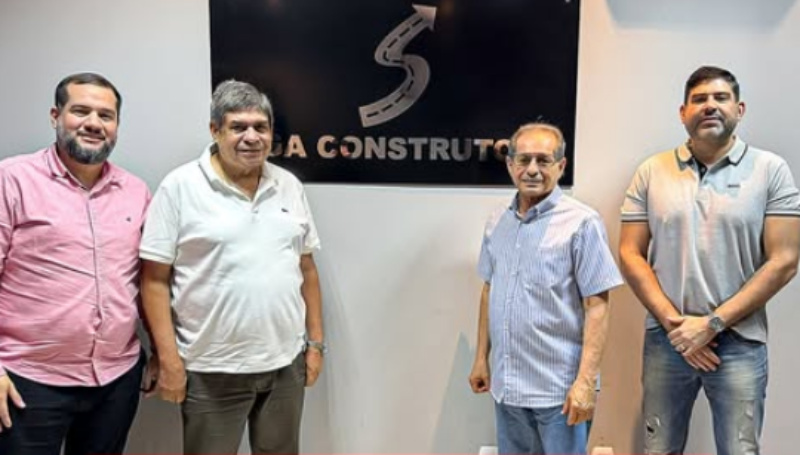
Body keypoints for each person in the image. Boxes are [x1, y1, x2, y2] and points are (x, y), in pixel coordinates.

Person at [619, 66, 800, 455]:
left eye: (720, 98)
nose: (710, 106)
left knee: (740, 451)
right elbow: (630, 253)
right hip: (668, 339)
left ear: (740, 109)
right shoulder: (651, 171)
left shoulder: (771, 170)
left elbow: (785, 260)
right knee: (659, 450)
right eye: (699, 99)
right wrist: (678, 327)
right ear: (683, 112)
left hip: (740, 340)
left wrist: (711, 324)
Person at [140, 79, 324, 454]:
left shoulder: (288, 185)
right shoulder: (180, 187)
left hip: (284, 364)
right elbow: (154, 281)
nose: (251, 137)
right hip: (211, 368)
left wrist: (316, 344)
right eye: (238, 126)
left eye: (260, 127)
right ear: (215, 130)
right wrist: (169, 359)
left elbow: (306, 269)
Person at [0, 72, 151, 455]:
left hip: (115, 379)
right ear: (56, 115)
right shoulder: (12, 180)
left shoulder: (136, 191)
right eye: (81, 111)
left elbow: (148, 280)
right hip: (26, 380)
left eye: (106, 115)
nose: (94, 123)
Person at [469, 122, 623, 455]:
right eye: (523, 160)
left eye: (543, 160)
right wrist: (481, 357)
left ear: (561, 166)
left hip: (559, 393)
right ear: (510, 164)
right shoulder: (497, 221)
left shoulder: (582, 223)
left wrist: (585, 382)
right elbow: (489, 289)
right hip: (507, 387)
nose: (532, 170)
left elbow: (598, 304)